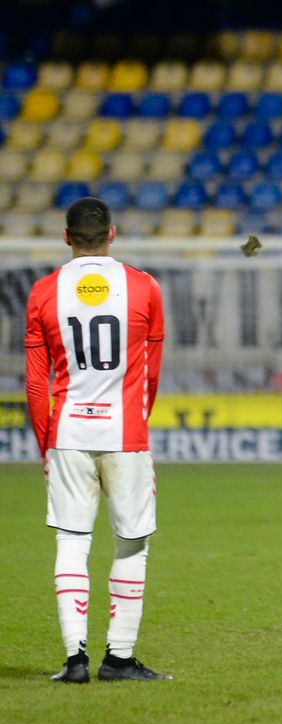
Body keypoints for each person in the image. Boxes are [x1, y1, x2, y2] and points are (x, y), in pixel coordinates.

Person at [25, 197, 169, 683]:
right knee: (132, 542)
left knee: (71, 540)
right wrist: (137, 421)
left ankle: (75, 661)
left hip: (67, 433)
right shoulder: (144, 287)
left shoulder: (44, 292)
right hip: (126, 432)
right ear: (113, 233)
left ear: (66, 237)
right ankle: (120, 658)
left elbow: (36, 384)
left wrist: (46, 442)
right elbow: (151, 374)